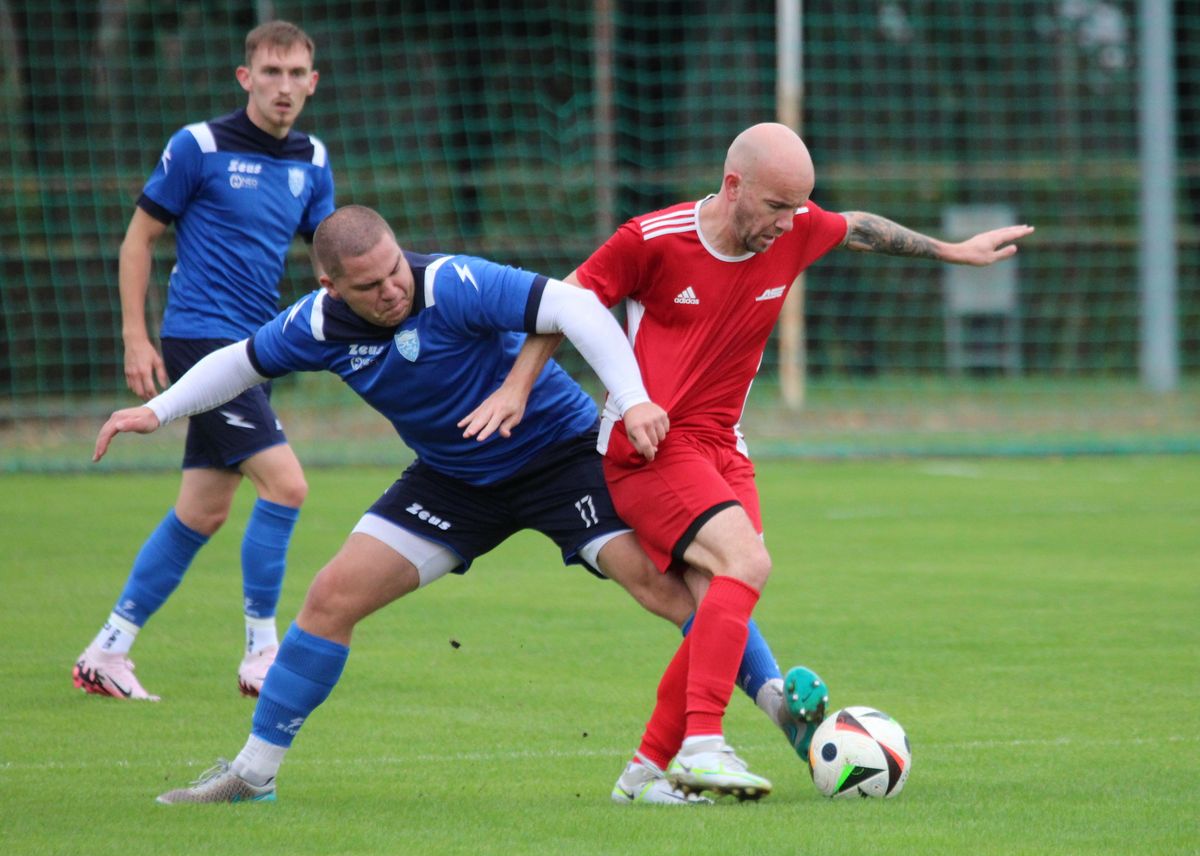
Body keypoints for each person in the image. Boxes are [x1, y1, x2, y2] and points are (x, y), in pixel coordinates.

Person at [92, 205, 822, 805]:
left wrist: (629, 400)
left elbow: (574, 305)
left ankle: (786, 723)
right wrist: (156, 412)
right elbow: (239, 360)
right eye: (370, 285)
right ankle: (252, 775)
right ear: (330, 285)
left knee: (670, 594)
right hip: (452, 480)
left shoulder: (452, 283)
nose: (392, 290)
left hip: (561, 459)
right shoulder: (317, 326)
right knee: (329, 600)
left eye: (393, 270)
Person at [480, 122, 1034, 798]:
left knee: (720, 607)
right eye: (777, 206)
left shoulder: (798, 227)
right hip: (649, 447)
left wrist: (954, 251)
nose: (790, 222)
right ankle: (704, 745)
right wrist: (516, 386)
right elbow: (563, 303)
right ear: (733, 185)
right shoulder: (652, 241)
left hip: (724, 450)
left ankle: (643, 773)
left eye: (800, 206)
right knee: (746, 564)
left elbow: (855, 225)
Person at [72, 20, 336, 702]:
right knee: (287, 485)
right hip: (200, 341)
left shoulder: (313, 159)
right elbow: (138, 242)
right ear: (246, 78)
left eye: (296, 73)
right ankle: (260, 654)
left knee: (203, 512)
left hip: (256, 353)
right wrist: (137, 337)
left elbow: (328, 258)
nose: (284, 87)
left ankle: (109, 650)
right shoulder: (200, 144)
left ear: (313, 81)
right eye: (270, 73)